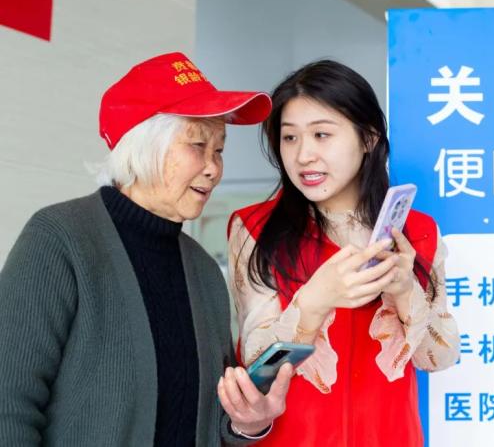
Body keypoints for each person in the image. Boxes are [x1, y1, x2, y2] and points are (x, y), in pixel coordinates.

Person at [0, 52, 292, 446]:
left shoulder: (204, 270)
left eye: (219, 150)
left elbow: (210, 421)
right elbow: (8, 405)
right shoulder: (59, 239)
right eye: (197, 144)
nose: (213, 168)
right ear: (143, 145)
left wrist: (248, 424)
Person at [227, 60, 460, 446]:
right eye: (290, 137)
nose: (303, 155)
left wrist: (405, 291)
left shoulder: (418, 232)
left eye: (322, 134)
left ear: (368, 138)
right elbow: (257, 367)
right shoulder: (254, 228)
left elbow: (439, 358)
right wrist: (314, 302)